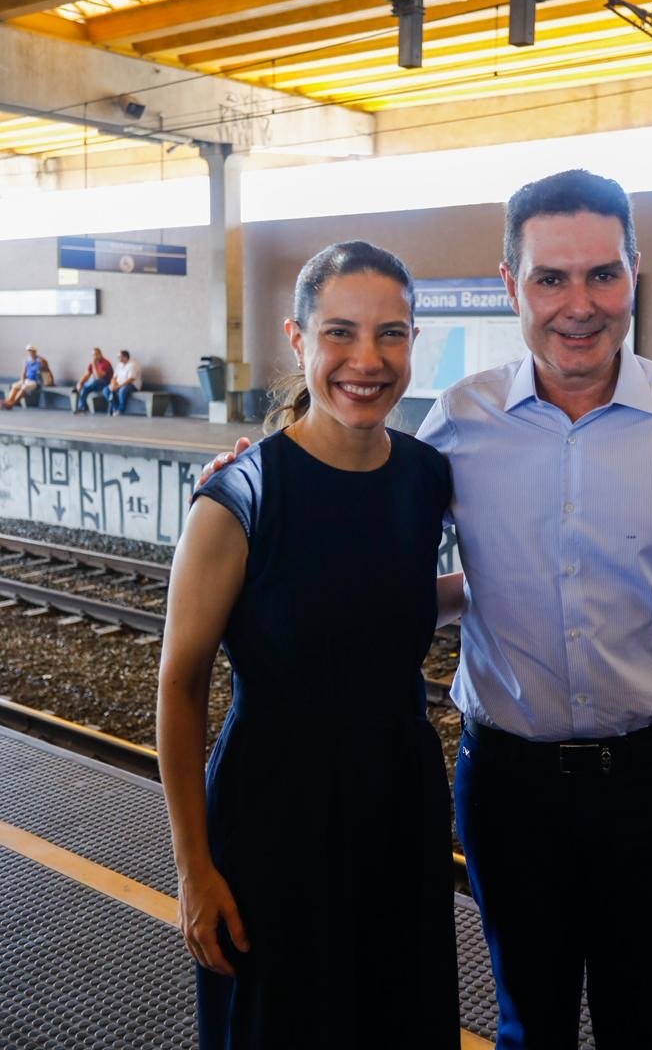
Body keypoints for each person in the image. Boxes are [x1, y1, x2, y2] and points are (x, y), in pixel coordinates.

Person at [201, 171, 652, 1050]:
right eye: (551, 278)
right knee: (529, 1027)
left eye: (603, 275)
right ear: (511, 284)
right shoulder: (457, 422)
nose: (578, 305)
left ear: (636, 272)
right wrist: (255, 481)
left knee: (644, 1028)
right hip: (507, 791)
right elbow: (358, 523)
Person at [158, 241, 460, 1050]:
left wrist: (492, 591)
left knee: (398, 1018)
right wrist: (193, 872)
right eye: (340, 333)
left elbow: (365, 608)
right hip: (272, 817)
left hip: (399, 804)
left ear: (412, 343)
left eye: (391, 334)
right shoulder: (241, 496)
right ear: (298, 340)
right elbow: (179, 687)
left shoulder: (428, 475)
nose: (367, 360)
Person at [1, 344, 51, 408]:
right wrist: (23, 380)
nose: (31, 352)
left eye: (32, 351)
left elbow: (48, 372)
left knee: (24, 388)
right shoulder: (27, 360)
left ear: (35, 351)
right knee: (15, 386)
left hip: (35, 382)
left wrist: (50, 381)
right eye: (29, 351)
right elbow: (24, 372)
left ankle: (12, 403)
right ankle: (8, 400)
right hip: (27, 380)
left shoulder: (41, 361)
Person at [73, 347, 113, 413]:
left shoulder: (105, 363)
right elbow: (86, 375)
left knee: (93, 381)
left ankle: (84, 386)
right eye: (93, 355)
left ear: (100, 354)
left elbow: (98, 377)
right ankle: (82, 408)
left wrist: (94, 364)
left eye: (96, 354)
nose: (94, 356)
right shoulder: (92, 363)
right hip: (93, 385)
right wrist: (80, 383)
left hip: (105, 384)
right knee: (84, 389)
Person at [105, 349, 142, 415]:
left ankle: (121, 409)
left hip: (131, 385)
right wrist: (112, 385)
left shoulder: (133, 365)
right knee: (106, 390)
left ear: (125, 357)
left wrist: (118, 386)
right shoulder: (119, 365)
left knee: (123, 390)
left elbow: (131, 379)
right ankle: (116, 408)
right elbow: (114, 377)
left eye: (119, 357)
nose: (118, 358)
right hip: (118, 384)